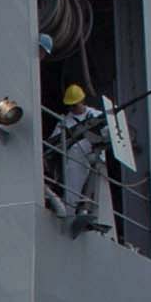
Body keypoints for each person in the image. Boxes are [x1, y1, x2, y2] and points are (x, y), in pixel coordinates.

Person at [56, 83, 109, 225]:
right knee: (72, 189)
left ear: (82, 101)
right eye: (70, 105)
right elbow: (55, 141)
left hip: (96, 157)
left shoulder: (96, 115)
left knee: (96, 191)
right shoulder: (65, 122)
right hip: (76, 158)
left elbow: (108, 135)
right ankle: (70, 217)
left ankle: (89, 214)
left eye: (75, 104)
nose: (72, 108)